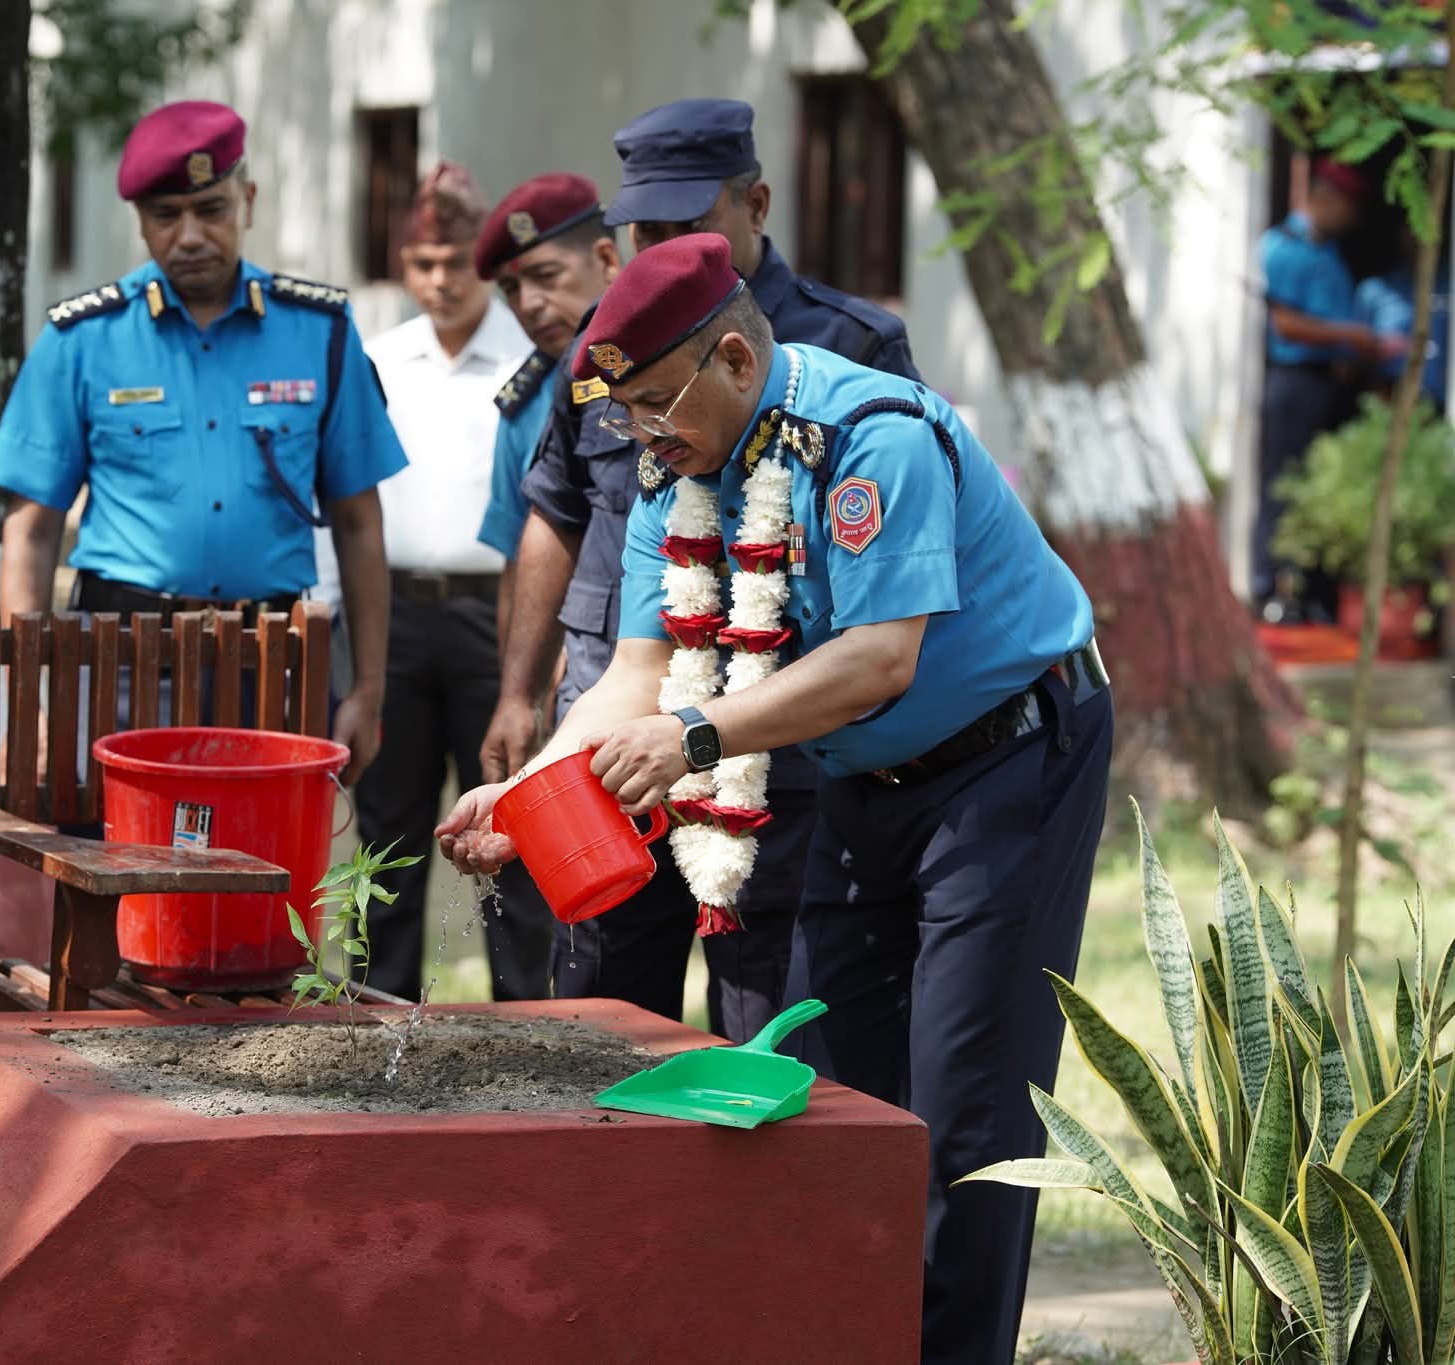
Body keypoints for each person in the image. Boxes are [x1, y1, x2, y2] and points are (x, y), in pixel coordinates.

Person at [439, 235, 1111, 1365]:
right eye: (628, 414)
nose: (644, 435)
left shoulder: (871, 438)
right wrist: (525, 787)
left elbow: (877, 660)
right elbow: (637, 673)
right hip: (863, 774)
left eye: (658, 403)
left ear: (738, 361)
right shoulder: (681, 475)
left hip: (1006, 760)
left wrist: (696, 737)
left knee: (967, 1110)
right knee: (825, 1086)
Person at [482, 98, 920, 1041]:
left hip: (777, 740)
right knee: (602, 1020)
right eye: (645, 227)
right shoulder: (605, 353)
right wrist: (522, 698)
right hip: (623, 714)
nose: (661, 243)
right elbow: (554, 516)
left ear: (756, 205)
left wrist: (709, 730)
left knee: (764, 1016)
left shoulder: (849, 353)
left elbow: (883, 612)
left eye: (688, 222)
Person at [0, 101, 404, 783]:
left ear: (249, 200)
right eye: (165, 216)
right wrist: (28, 708)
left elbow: (359, 522)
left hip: (273, 665)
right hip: (123, 663)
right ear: (140, 221)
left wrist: (367, 690)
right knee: (117, 871)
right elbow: (31, 529)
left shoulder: (320, 332)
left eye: (211, 209)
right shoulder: (83, 339)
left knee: (269, 875)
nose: (190, 236)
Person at [356, 163, 552, 1002]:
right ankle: (377, 1013)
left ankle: (526, 1023)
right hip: (393, 616)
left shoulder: (530, 362)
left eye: (454, 261)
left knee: (512, 824)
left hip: (496, 621)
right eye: (422, 262)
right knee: (389, 832)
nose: (439, 281)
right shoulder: (379, 358)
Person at [471, 172, 619, 641]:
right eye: (511, 290)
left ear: (607, 259)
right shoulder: (522, 405)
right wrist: (517, 698)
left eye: (546, 276)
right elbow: (517, 565)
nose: (529, 304)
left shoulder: (674, 372)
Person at [1253, 158, 1388, 621]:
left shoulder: (1329, 253)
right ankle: (1267, 590)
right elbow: (1286, 324)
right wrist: (1354, 337)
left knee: (1319, 489)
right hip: (1295, 383)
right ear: (1324, 198)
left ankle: (1312, 595)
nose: (1354, 219)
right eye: (1349, 207)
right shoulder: (1283, 247)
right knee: (1281, 486)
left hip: (1330, 386)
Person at [1356, 228, 1448, 411]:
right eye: (1411, 233)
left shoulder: (1449, 287)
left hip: (1445, 406)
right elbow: (1350, 362)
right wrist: (1374, 348)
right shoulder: (1374, 291)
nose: (1418, 242)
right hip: (1389, 404)